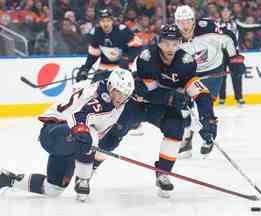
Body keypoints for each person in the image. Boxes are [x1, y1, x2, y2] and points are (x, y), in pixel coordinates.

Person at [91, 24, 217, 198]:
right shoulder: (147, 57)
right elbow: (144, 92)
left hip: (163, 109)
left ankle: (163, 173)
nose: (170, 48)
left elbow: (201, 94)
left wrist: (209, 121)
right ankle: (92, 165)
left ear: (180, 43)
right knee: (117, 131)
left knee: (176, 128)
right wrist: (172, 97)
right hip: (139, 104)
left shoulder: (187, 62)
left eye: (174, 44)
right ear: (159, 42)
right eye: (166, 43)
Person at [0, 68, 135, 202]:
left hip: (71, 142)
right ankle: (82, 181)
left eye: (125, 95)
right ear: (110, 87)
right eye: (118, 93)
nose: (121, 98)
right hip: (55, 132)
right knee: (90, 134)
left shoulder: (116, 100)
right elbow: (80, 116)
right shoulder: (101, 100)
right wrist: (85, 169)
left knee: (53, 189)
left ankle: (7, 179)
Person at [174, 5, 237, 158]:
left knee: (205, 105)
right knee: (181, 107)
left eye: (187, 21)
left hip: (214, 72)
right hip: (192, 74)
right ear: (176, 22)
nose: (184, 25)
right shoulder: (172, 36)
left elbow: (228, 36)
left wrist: (235, 58)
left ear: (193, 20)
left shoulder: (208, 27)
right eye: (181, 22)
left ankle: (208, 135)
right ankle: (186, 137)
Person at [218, 7, 261, 106]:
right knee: (221, 77)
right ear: (221, 13)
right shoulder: (216, 24)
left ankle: (239, 98)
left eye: (227, 11)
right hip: (220, 53)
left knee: (237, 76)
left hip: (234, 54)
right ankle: (222, 98)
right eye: (224, 11)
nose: (225, 13)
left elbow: (250, 26)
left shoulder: (235, 23)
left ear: (230, 13)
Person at [75, 8, 142, 83]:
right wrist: (85, 69)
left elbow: (138, 46)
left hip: (122, 70)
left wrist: (127, 58)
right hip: (104, 69)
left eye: (108, 21)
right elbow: (93, 55)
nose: (105, 24)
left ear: (112, 21)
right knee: (95, 90)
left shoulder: (123, 30)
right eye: (103, 21)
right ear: (99, 22)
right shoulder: (96, 33)